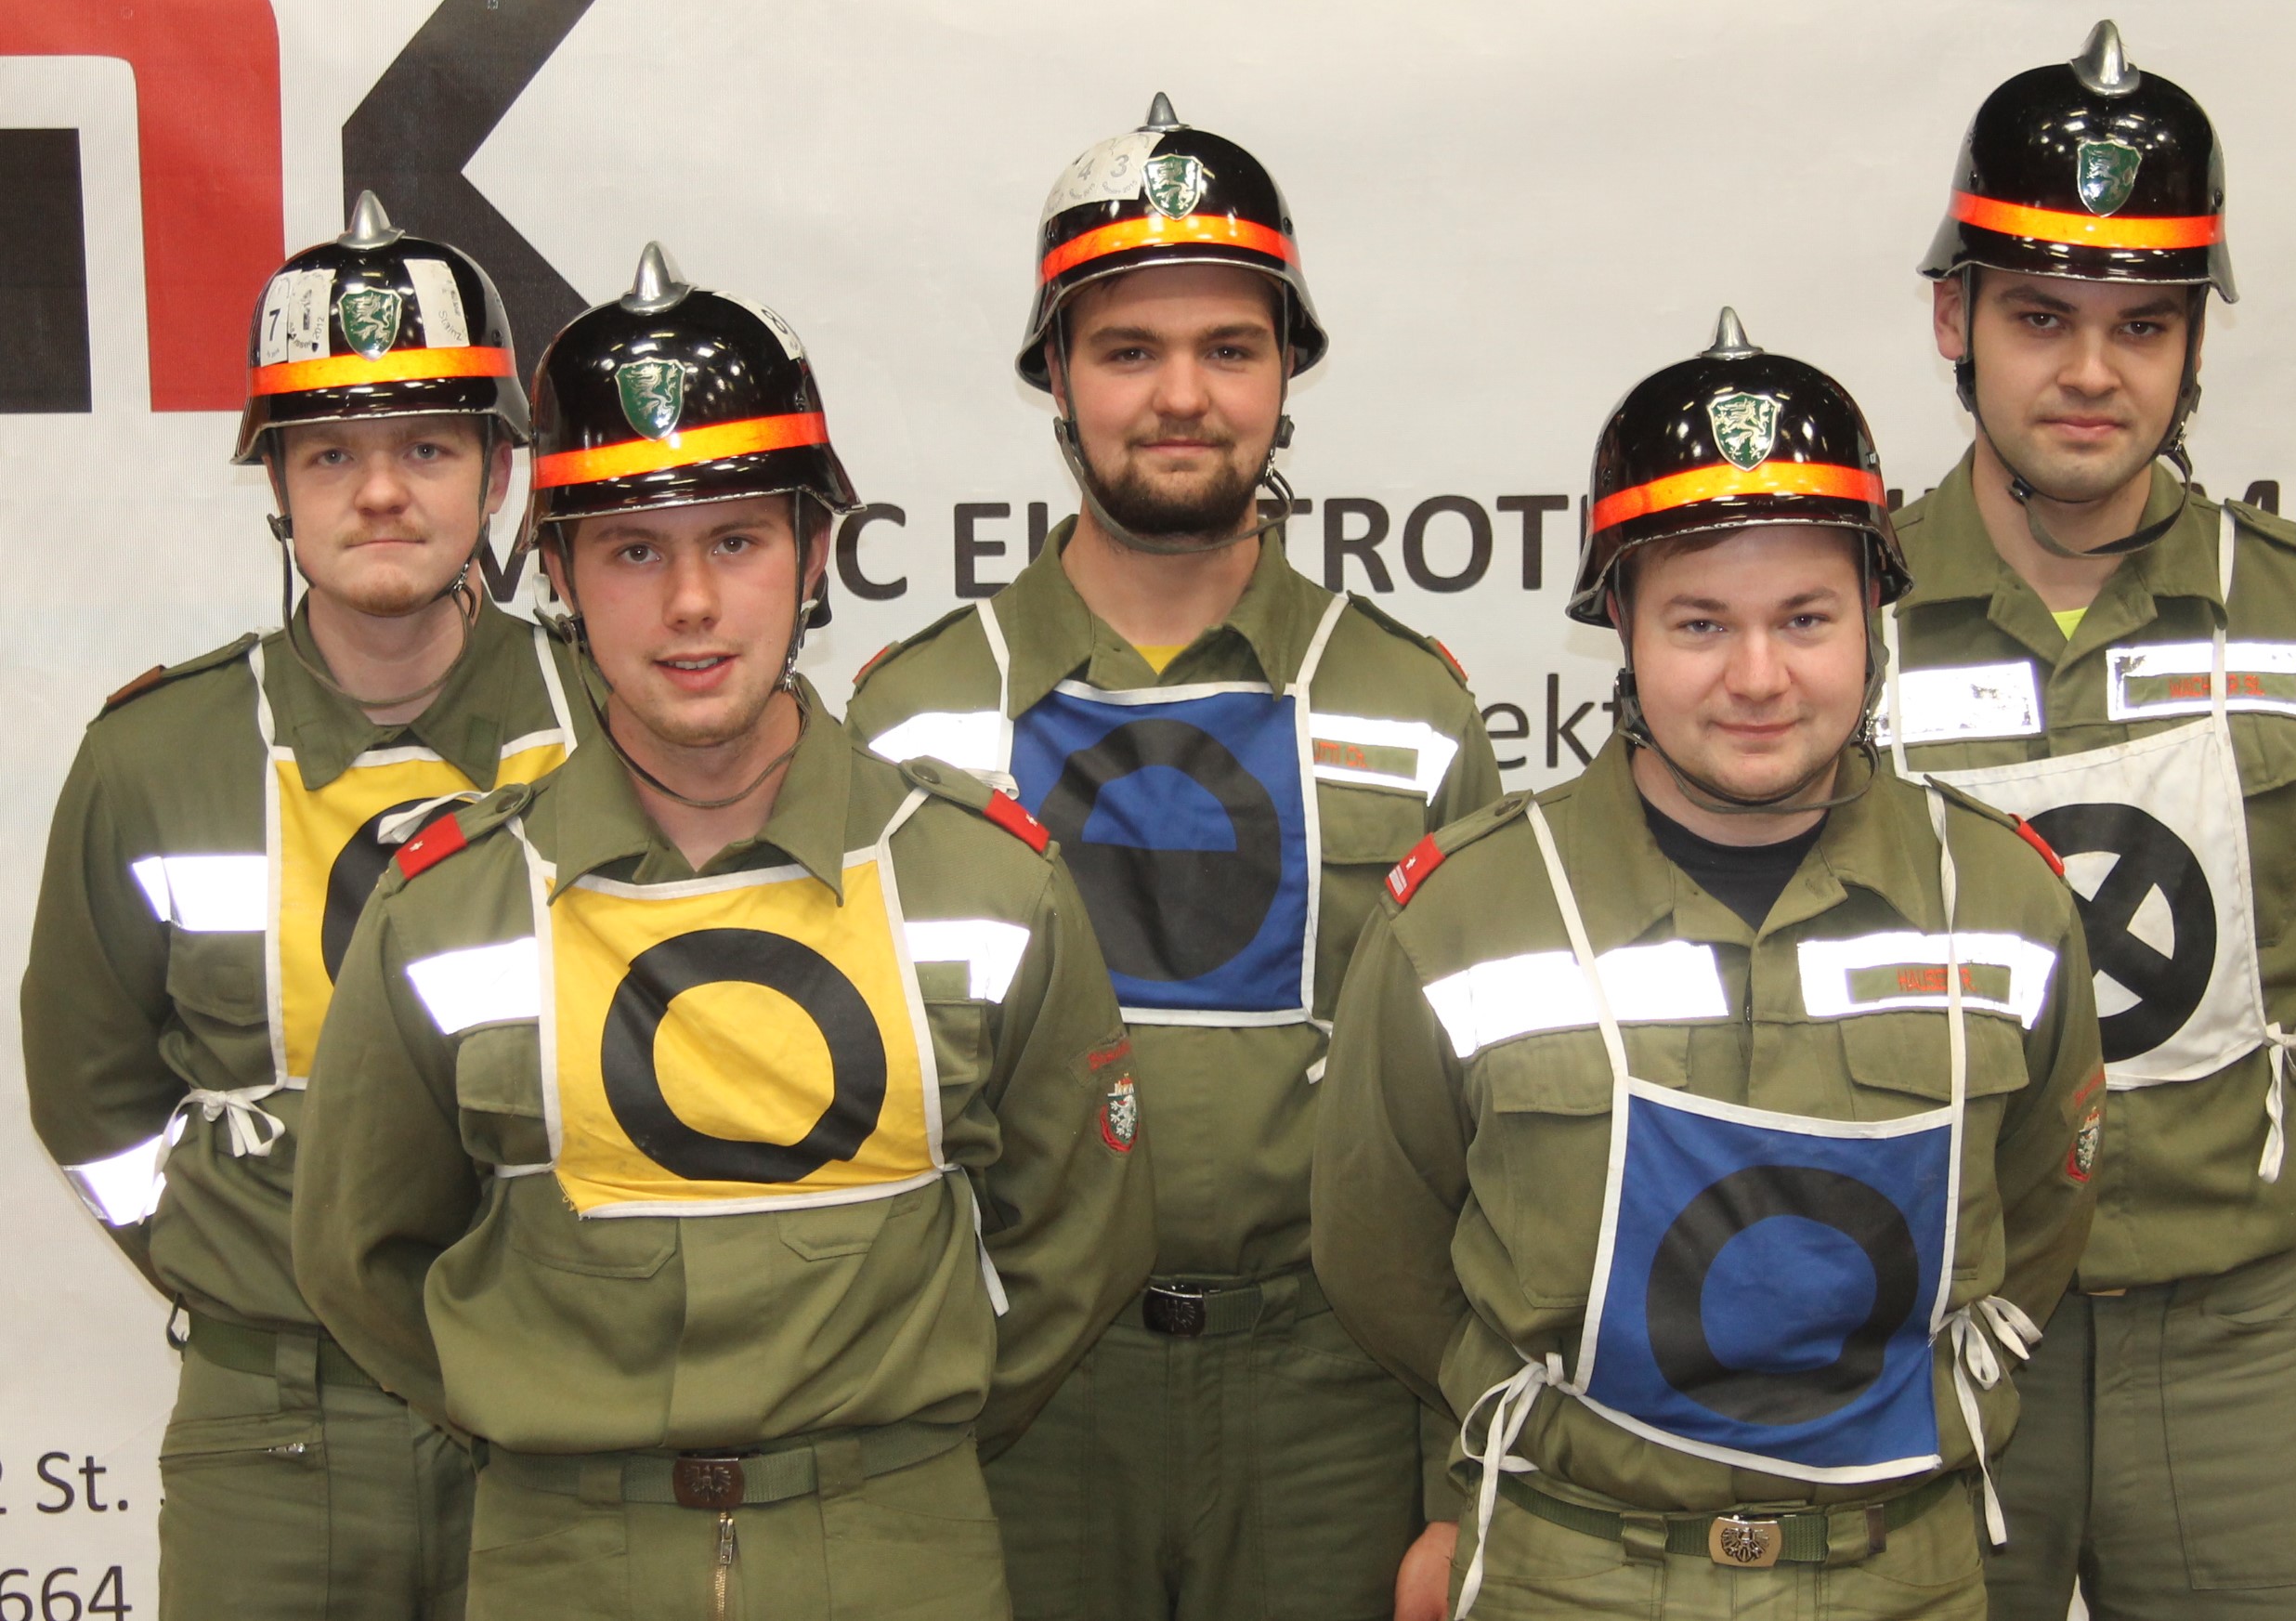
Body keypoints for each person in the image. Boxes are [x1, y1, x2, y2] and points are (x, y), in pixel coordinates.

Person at [290, 244, 1153, 1621]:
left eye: (736, 540)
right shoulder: (444, 901)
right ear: (557, 571)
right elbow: (361, 1255)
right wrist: (546, 1417)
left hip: (901, 1547)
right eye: (633, 549)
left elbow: (1080, 1243)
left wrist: (890, 1449)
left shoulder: (985, 881)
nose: (689, 604)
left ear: (815, 554)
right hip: (561, 1557)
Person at [1311, 311, 2104, 1620]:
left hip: (1902, 1575)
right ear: (1619, 623)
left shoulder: (2007, 902)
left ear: (1874, 618)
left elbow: (2037, 1219)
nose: (1758, 676)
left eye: (1806, 617)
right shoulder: (1464, 914)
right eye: (1698, 622)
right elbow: (1381, 1253)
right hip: (1568, 1573)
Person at [846, 94, 1503, 1621]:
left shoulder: (1412, 709)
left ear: (1287, 373)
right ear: (1056, 377)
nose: (1183, 397)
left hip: (1330, 1399)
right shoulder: (909, 715)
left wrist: (1457, 1473)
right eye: (1129, 351)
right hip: (1020, 1397)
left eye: (1230, 348)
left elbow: (1480, 1135)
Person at [1890, 21, 2296, 1620]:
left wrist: (2211, 1188)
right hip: (1927, 1331)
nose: (2091, 372)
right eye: (2040, 315)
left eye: (2144, 323)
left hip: (2229, 1343)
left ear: (2195, 343)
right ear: (1953, 317)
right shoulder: (1843, 629)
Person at [20, 191, 577, 1621]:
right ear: (275, 479)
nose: (380, 492)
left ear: (499, 473)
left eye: (428, 446)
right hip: (272, 1425)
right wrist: (232, 1249)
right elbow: (89, 1094)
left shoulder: (612, 726)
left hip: (572, 1398)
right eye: (331, 451)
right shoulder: (153, 756)